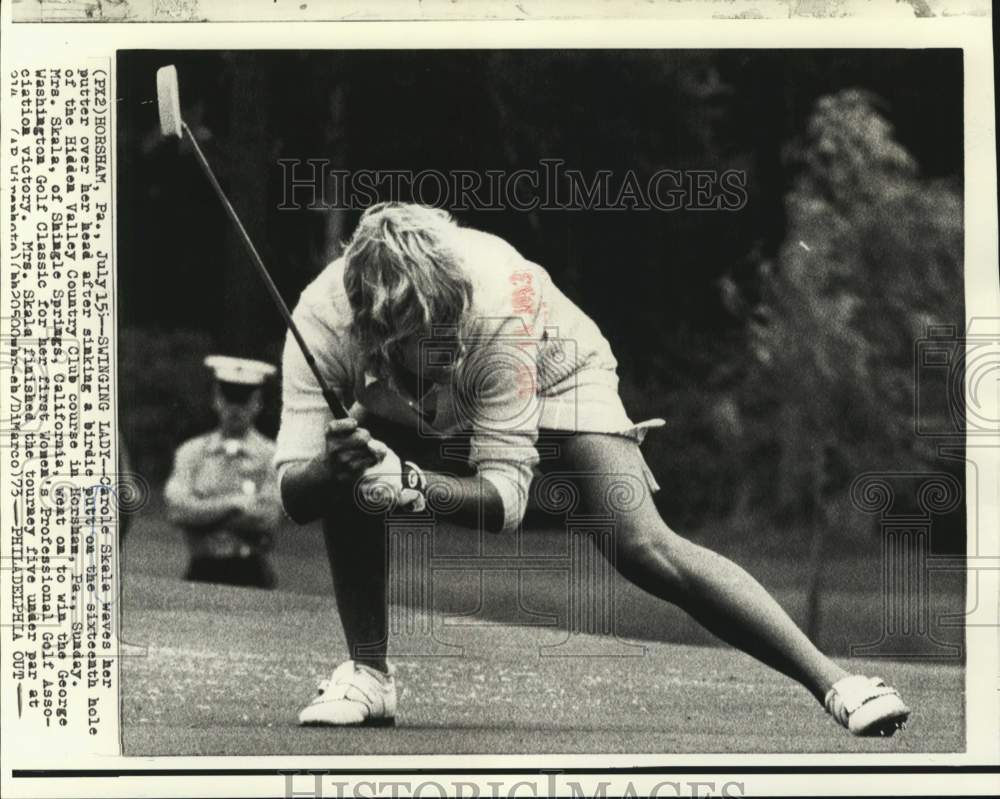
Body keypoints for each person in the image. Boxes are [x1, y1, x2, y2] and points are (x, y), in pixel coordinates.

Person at [275, 202, 910, 736]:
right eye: (430, 342)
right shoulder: (318, 323)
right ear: (379, 334)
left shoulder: (496, 305)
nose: (450, 351)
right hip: (398, 392)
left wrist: (412, 484)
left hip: (554, 368)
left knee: (642, 545)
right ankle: (368, 674)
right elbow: (296, 498)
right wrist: (336, 471)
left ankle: (838, 684)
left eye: (451, 328)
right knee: (348, 468)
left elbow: (504, 500)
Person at [165, 355, 283, 589]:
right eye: (229, 399)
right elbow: (177, 510)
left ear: (257, 402)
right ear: (217, 399)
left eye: (243, 400)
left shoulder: (273, 455)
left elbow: (268, 517)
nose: (235, 409)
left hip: (253, 572)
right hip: (201, 570)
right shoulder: (192, 452)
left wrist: (202, 511)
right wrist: (236, 503)